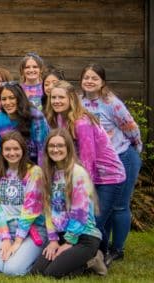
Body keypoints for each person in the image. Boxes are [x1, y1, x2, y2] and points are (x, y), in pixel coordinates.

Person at [46, 80, 125, 259]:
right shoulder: (60, 117)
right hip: (84, 174)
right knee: (90, 220)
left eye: (61, 97)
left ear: (72, 98)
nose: (56, 101)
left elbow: (88, 159)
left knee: (94, 220)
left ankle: (100, 255)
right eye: (53, 97)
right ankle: (97, 254)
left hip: (109, 176)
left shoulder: (82, 122)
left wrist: (79, 188)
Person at [79, 64, 142, 265]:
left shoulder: (111, 103)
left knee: (119, 206)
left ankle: (117, 249)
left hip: (122, 157)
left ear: (102, 82)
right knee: (99, 206)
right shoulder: (79, 102)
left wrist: (135, 150)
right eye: (86, 77)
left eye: (94, 78)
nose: (89, 81)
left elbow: (131, 128)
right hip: (97, 163)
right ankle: (100, 247)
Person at [29, 129, 106, 278]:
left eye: (60, 146)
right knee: (36, 272)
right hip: (61, 234)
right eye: (52, 146)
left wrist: (69, 242)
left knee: (53, 274)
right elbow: (48, 210)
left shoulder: (77, 173)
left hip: (84, 236)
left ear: (68, 148)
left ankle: (93, 260)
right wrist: (52, 240)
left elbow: (80, 213)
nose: (55, 149)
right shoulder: (48, 174)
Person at [0, 131, 45, 276]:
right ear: (2, 151)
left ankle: (36, 256)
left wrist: (17, 242)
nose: (12, 153)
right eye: (7, 149)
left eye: (16, 149)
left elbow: (30, 210)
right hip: (6, 228)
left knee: (12, 270)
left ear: (23, 150)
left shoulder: (34, 172)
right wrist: (5, 238)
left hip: (31, 229)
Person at [0, 82, 49, 164]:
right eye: (4, 99)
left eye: (12, 98)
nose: (7, 102)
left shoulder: (36, 116)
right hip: (10, 167)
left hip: (35, 165)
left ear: (19, 98)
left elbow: (42, 149)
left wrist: (41, 174)